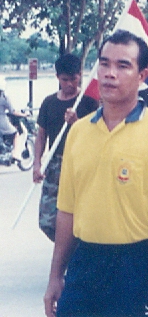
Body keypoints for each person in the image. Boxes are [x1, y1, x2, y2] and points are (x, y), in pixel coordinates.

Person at [43, 30, 148, 317]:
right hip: (85, 263)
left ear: (142, 77)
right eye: (104, 63)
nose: (110, 73)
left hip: (139, 264)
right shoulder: (78, 132)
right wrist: (55, 276)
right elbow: (67, 211)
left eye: (122, 65)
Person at [33, 54, 99, 241]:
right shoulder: (49, 102)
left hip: (81, 164)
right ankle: (66, 247)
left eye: (74, 79)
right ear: (57, 77)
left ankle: (73, 251)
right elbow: (41, 136)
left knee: (78, 215)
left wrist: (76, 122)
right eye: (65, 80)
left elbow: (98, 136)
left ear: (80, 75)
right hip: (55, 164)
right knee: (47, 220)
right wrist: (37, 164)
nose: (69, 84)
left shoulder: (88, 102)